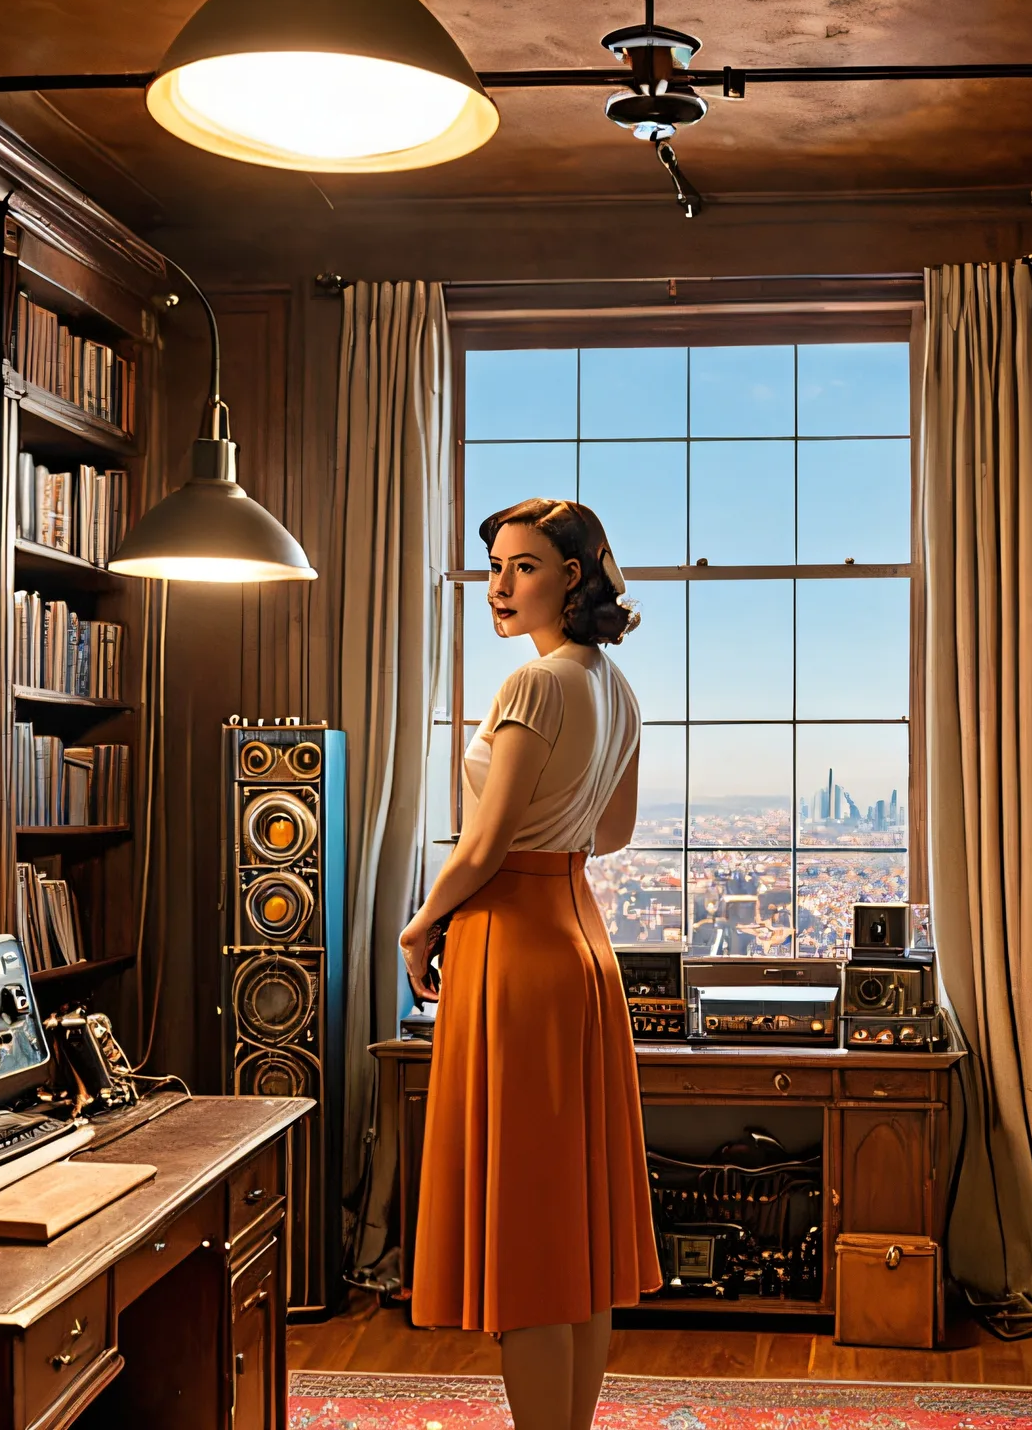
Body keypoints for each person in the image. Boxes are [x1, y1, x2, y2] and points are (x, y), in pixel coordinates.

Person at [399, 498, 661, 1430]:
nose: (500, 587)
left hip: (514, 943)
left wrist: (421, 923)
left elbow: (482, 845)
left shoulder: (535, 686)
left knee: (526, 1236)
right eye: (496, 568)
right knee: (574, 1230)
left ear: (574, 577)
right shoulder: (617, 689)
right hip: (580, 939)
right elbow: (616, 832)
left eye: (524, 567)